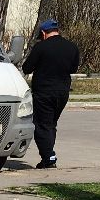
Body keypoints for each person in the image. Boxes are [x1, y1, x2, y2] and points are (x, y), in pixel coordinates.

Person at [21, 20, 80, 169]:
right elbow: (73, 68)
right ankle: (48, 156)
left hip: (44, 92)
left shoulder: (41, 47)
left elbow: (27, 68)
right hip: (62, 93)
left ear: (43, 33)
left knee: (42, 125)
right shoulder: (72, 47)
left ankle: (49, 157)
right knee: (51, 124)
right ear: (57, 30)